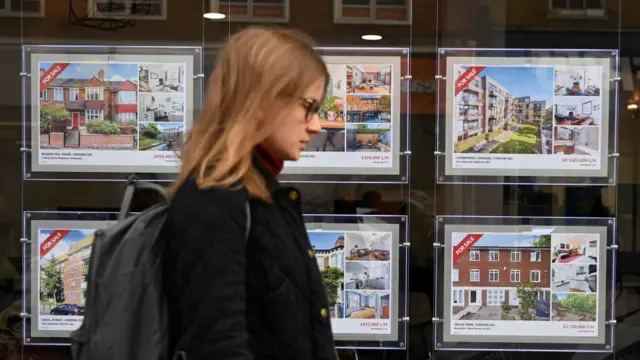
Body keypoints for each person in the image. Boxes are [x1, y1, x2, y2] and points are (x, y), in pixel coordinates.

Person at [160, 26, 337, 360]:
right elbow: (215, 347)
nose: (315, 126)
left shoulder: (260, 195)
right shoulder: (215, 199)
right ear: (261, 99)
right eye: (309, 106)